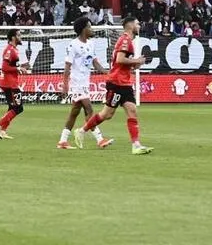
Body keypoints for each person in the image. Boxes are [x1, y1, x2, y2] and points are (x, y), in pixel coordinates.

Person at [75, 16, 153, 155]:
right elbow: (120, 59)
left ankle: (136, 145)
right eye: (137, 23)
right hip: (116, 83)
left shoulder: (128, 41)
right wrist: (136, 61)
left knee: (132, 110)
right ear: (130, 26)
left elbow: (123, 63)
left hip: (125, 83)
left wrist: (136, 63)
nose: (139, 26)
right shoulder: (125, 40)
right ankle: (81, 131)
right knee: (107, 114)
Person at [58, 17, 113, 149]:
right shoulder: (73, 45)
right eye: (89, 26)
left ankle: (62, 141)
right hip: (77, 82)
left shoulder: (91, 44)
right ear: (83, 29)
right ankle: (99, 139)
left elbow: (95, 62)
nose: (91, 29)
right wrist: (65, 85)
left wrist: (107, 73)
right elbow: (67, 66)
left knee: (74, 112)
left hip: (85, 82)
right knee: (89, 109)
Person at [0, 29, 29, 140]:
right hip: (9, 84)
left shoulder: (14, 50)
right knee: (18, 108)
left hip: (9, 82)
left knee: (12, 107)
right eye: (19, 35)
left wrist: (21, 67)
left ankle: (3, 130)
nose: (21, 37)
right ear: (13, 37)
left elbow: (11, 66)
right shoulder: (9, 50)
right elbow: (4, 67)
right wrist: (18, 68)